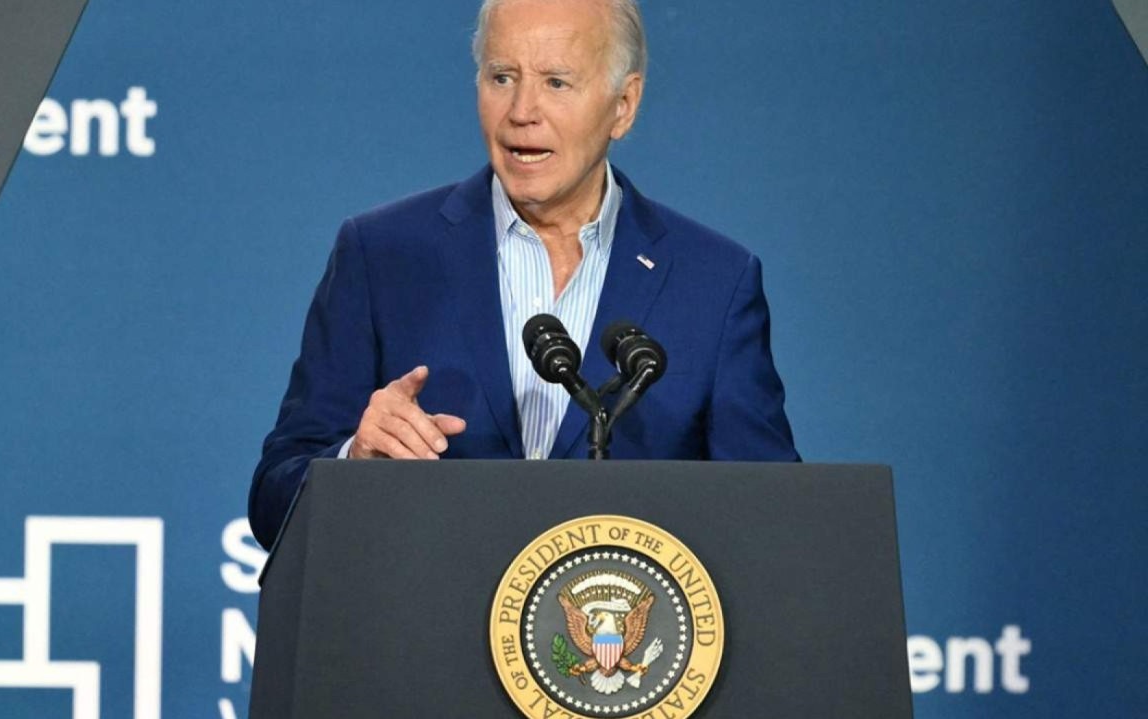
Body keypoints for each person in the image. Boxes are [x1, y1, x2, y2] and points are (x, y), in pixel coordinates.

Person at [249, 0, 799, 550]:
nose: (521, 110)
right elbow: (273, 501)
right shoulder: (383, 255)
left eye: (556, 82)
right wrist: (354, 463)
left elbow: (772, 521)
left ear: (623, 106)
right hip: (426, 629)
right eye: (502, 77)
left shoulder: (713, 282)